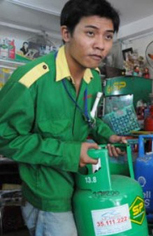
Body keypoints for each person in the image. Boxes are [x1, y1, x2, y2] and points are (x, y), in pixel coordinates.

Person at [0, 0, 122, 235]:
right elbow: (5, 138)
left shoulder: (94, 78)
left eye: (108, 36)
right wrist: (73, 152)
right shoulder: (30, 79)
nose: (101, 45)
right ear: (66, 33)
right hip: (48, 194)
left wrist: (109, 136)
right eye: (90, 33)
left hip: (83, 183)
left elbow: (90, 119)